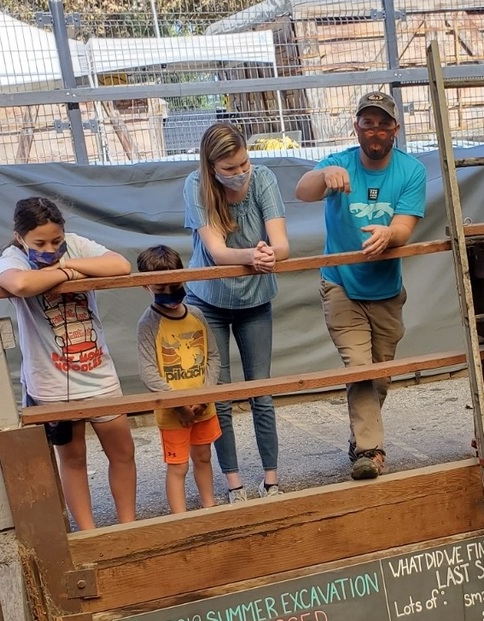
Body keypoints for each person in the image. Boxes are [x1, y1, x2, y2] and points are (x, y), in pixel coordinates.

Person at [294, 91, 427, 481]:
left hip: (386, 288)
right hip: (340, 285)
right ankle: (371, 451)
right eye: (368, 123)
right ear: (356, 127)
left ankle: (360, 438)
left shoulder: (411, 171)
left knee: (379, 375)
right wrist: (323, 176)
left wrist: (389, 234)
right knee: (359, 366)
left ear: (395, 129)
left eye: (383, 124)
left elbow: (404, 226)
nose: (375, 131)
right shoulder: (340, 163)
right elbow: (303, 190)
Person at [0, 197, 136, 530]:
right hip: (52, 382)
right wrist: (67, 273)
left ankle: (128, 528)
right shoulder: (12, 258)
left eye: (56, 241)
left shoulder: (75, 245)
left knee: (123, 452)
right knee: (72, 459)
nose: (50, 249)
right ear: (19, 237)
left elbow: (120, 265)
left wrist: (67, 268)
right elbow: (19, 283)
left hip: (99, 374)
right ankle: (88, 533)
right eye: (39, 244)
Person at [183, 122, 289, 502]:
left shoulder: (263, 179)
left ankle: (271, 480)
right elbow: (217, 253)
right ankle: (234, 484)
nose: (240, 172)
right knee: (221, 396)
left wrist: (269, 254)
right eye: (229, 168)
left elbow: (282, 244)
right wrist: (252, 255)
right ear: (211, 167)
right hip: (209, 300)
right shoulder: (195, 185)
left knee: (261, 391)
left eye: (244, 163)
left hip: (256, 300)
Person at [136, 245, 222, 514]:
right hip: (173, 413)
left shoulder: (196, 315)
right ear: (145, 287)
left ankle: (209, 507)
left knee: (204, 457)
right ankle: (180, 518)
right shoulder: (148, 324)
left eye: (174, 285)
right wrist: (180, 405)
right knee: (178, 466)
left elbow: (213, 356)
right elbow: (148, 371)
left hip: (204, 407)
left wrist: (204, 397)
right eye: (160, 288)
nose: (169, 293)